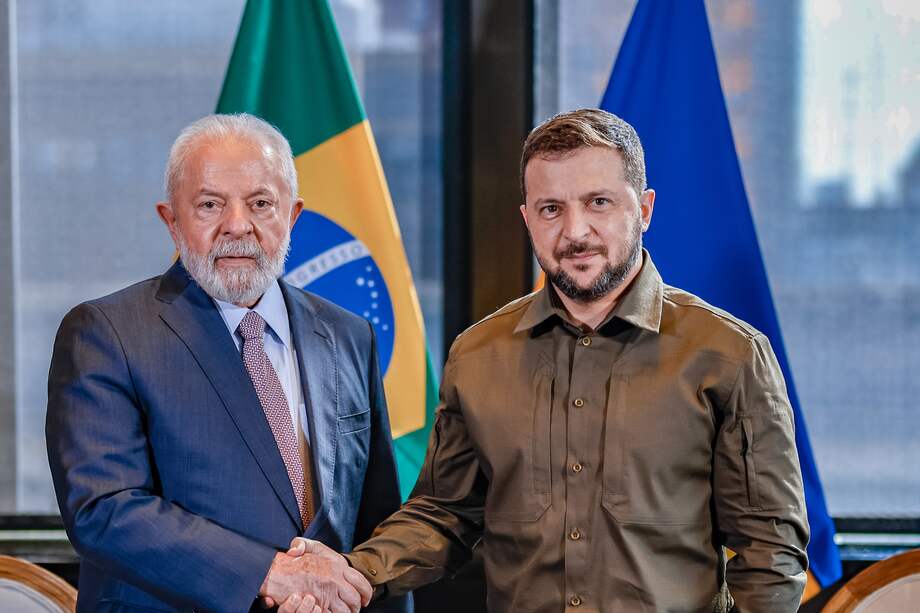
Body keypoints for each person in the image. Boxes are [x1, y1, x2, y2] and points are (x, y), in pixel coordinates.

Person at [286, 108, 810, 612]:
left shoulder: (729, 355)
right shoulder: (477, 356)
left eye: (599, 202)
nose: (576, 231)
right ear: (528, 218)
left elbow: (771, 550)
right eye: (552, 208)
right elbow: (445, 514)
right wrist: (355, 575)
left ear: (644, 210)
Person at [46, 113, 409, 613]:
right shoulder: (107, 333)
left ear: (293, 216)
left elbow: (376, 522)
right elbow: (104, 510)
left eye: (261, 203)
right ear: (171, 221)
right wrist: (271, 574)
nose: (237, 225)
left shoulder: (348, 335)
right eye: (209, 204)